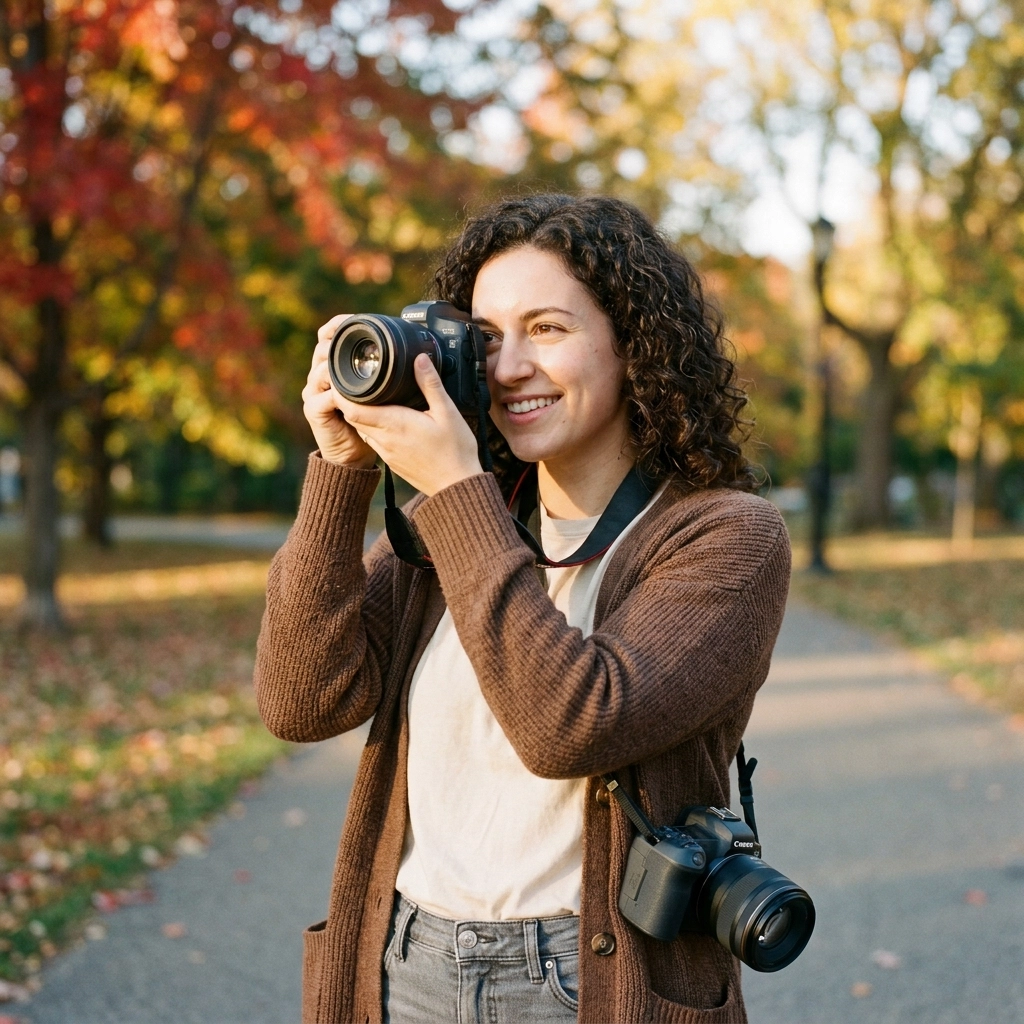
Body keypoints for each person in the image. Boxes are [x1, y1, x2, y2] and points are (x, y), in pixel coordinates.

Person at [254, 193, 791, 1024]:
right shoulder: (462, 520)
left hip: (587, 978)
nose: (508, 368)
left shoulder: (725, 535)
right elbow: (300, 700)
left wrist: (457, 488)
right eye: (489, 336)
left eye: (547, 328)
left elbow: (568, 723)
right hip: (405, 962)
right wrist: (341, 471)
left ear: (632, 347)